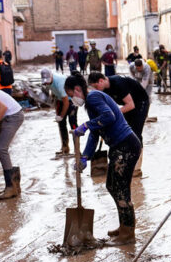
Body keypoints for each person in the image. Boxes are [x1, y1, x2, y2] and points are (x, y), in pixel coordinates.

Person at [66, 74, 141, 244]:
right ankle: (124, 226)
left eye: (71, 95)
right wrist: (85, 157)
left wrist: (85, 125)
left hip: (126, 146)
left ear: (78, 89)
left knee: (120, 189)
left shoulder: (93, 97)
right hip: (119, 146)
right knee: (112, 186)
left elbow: (109, 117)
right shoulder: (91, 103)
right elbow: (95, 133)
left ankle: (127, 234)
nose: (72, 99)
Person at [87, 72, 150, 153]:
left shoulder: (118, 83)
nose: (96, 90)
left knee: (136, 131)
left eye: (96, 87)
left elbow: (131, 105)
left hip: (140, 102)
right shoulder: (103, 90)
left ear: (101, 81)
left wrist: (114, 113)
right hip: (127, 104)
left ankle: (138, 157)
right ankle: (126, 153)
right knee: (125, 130)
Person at [41, 68, 76, 156]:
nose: (46, 83)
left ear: (51, 75)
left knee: (73, 124)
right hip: (61, 100)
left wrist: (61, 115)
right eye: (45, 82)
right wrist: (57, 111)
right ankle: (65, 148)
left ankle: (77, 149)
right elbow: (54, 93)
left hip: (72, 100)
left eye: (48, 81)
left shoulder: (60, 82)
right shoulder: (47, 81)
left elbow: (66, 101)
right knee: (61, 124)